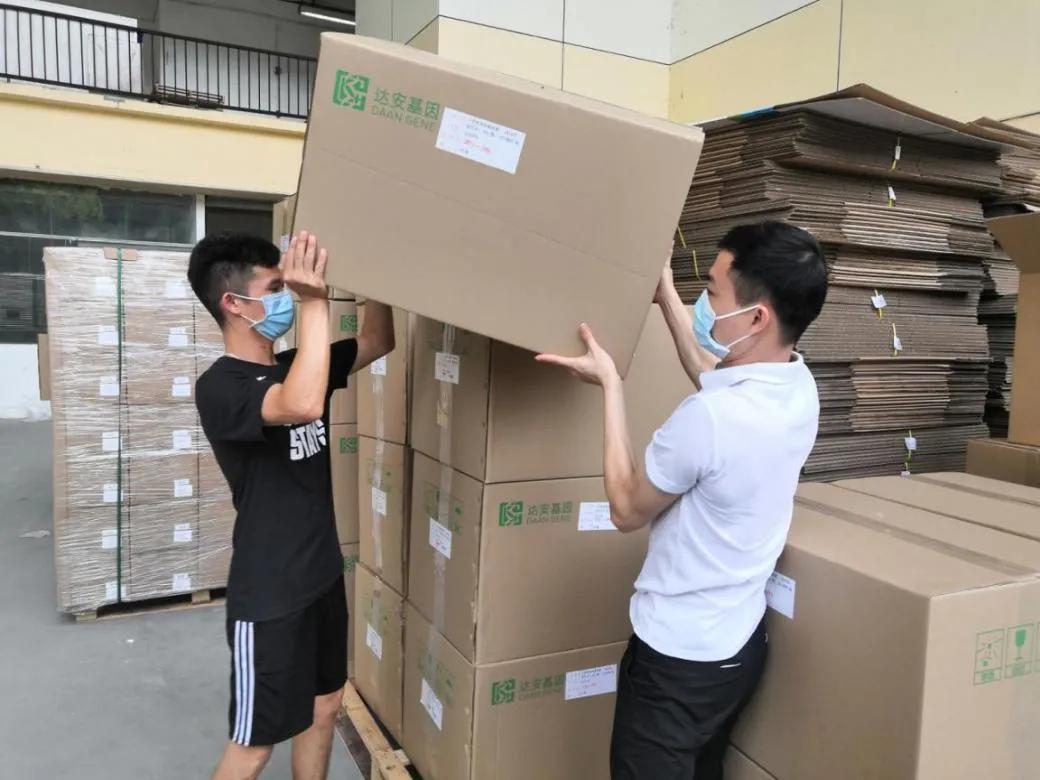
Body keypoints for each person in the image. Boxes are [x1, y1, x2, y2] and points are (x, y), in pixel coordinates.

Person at [537, 220, 827, 779]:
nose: (703, 302)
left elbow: (626, 508)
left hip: (675, 664)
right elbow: (711, 372)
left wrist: (611, 386)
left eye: (712, 292)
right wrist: (665, 290)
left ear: (758, 318)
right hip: (737, 648)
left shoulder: (709, 419)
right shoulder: (797, 387)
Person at [188, 231, 394, 780]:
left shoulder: (299, 364)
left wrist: (378, 269)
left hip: (322, 575)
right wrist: (314, 302)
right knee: (254, 747)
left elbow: (378, 340)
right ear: (234, 304)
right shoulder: (219, 387)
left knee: (325, 710)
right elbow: (301, 404)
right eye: (276, 288)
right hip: (270, 593)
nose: (287, 297)